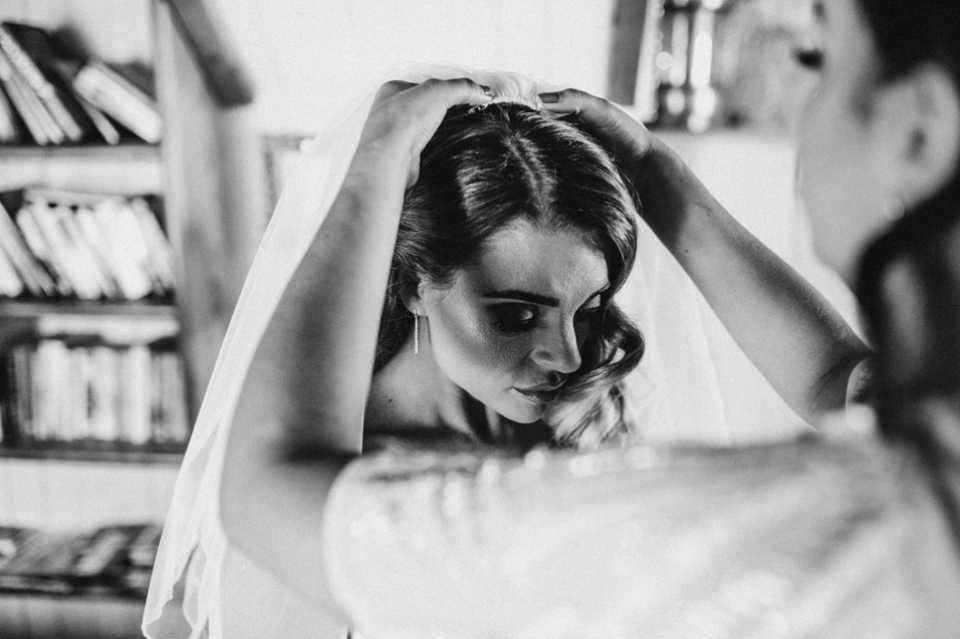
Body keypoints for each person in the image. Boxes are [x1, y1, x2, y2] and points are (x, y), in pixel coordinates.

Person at [145, 0, 960, 632]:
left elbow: (270, 485)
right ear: (408, 276)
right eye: (511, 312)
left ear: (923, 125)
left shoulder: (619, 462)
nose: (571, 355)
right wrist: (653, 172)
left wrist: (376, 162)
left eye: (817, 60)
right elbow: (842, 382)